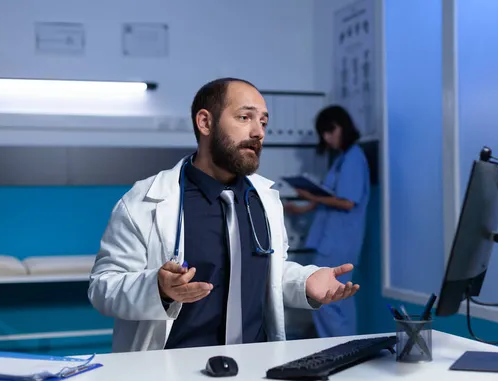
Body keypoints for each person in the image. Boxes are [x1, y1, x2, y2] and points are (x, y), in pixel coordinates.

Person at [87, 78, 360, 353]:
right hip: (174, 373)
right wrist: (157, 288)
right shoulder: (146, 201)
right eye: (245, 117)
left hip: (255, 368)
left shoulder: (265, 200)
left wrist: (305, 281)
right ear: (205, 123)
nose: (258, 132)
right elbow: (102, 287)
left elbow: (266, 272)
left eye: (263, 122)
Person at [284, 105, 370, 338]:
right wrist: (302, 208)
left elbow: (347, 202)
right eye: (323, 133)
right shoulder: (342, 159)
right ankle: (343, 347)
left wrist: (311, 196)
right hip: (333, 240)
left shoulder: (353, 158)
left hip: (340, 242)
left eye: (330, 131)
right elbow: (330, 196)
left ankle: (338, 350)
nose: (327, 138)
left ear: (342, 127)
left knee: (329, 300)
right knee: (336, 301)